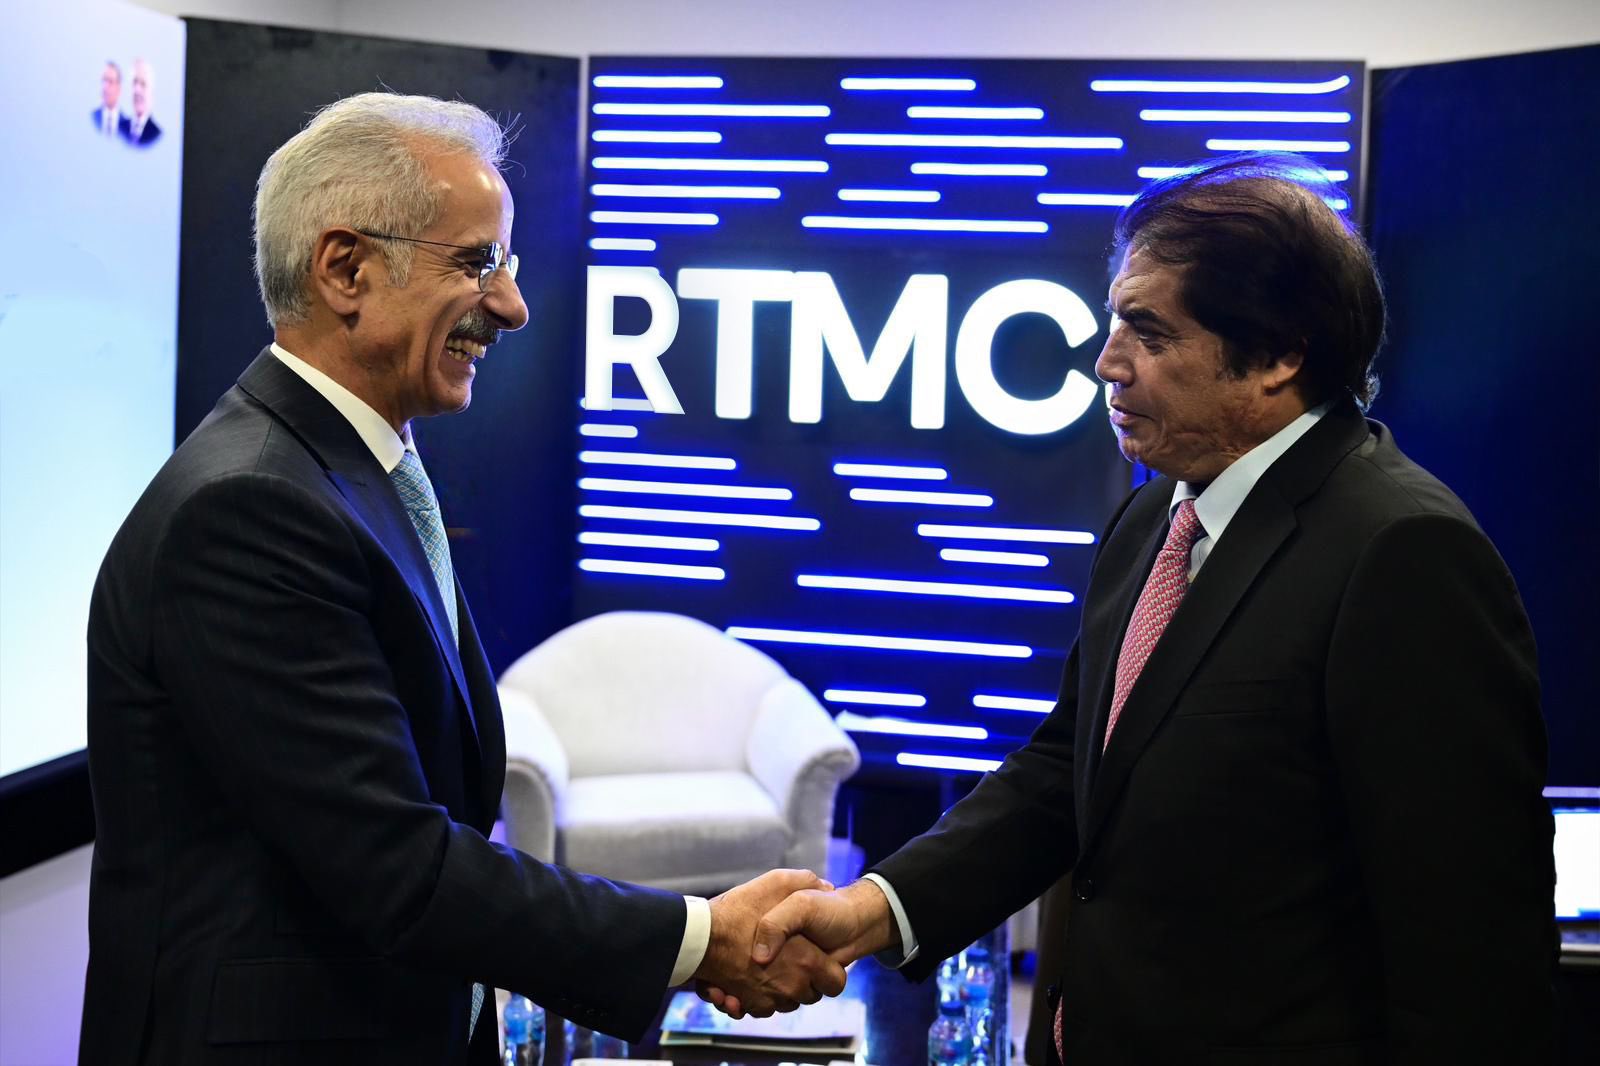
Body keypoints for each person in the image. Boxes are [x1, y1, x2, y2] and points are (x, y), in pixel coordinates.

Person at [726, 155, 1557, 1063]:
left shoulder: (1406, 554)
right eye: (1115, 321)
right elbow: (1067, 773)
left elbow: (1472, 953)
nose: (1106, 363)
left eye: (1149, 334)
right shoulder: (1153, 513)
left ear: (1280, 356)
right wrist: (873, 910)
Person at [82, 92, 842, 1066]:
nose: (512, 306)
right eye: (478, 263)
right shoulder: (250, 509)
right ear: (346, 270)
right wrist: (698, 940)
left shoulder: (346, 471)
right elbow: (395, 867)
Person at [120, 57, 160, 146]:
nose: (137, 90)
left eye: (143, 84)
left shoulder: (156, 134)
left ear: (152, 92)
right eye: (134, 82)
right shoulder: (120, 129)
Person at [91, 60, 128, 140]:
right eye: (103, 80)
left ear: (119, 89)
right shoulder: (92, 118)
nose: (105, 87)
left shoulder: (127, 126)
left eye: (110, 82)